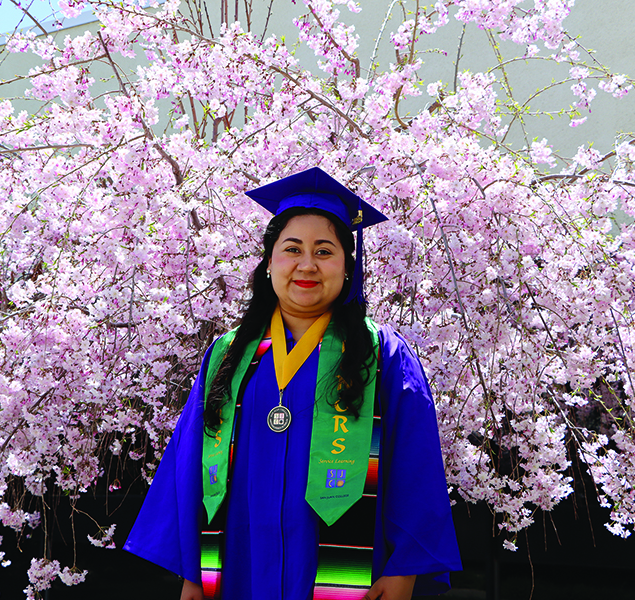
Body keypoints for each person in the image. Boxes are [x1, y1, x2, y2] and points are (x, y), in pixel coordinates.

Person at [124, 167, 461, 600]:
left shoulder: (382, 354)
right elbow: (189, 468)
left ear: (346, 267)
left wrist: (404, 571)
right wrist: (193, 574)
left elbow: (415, 464)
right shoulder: (228, 356)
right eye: (292, 249)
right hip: (238, 567)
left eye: (324, 251)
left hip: (346, 575)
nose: (307, 265)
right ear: (268, 264)